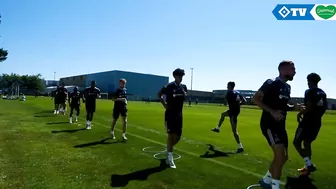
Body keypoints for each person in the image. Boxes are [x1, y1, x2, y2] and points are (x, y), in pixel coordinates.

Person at [253, 60, 296, 189]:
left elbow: (283, 106)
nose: (295, 71)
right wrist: (272, 111)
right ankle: (274, 186)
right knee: (279, 156)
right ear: (283, 70)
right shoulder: (271, 82)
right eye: (292, 69)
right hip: (269, 124)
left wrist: (294, 108)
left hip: (281, 126)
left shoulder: (287, 87)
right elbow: (255, 98)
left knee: (284, 158)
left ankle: (266, 180)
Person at [293, 73, 327, 175]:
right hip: (317, 122)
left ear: (310, 81)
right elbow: (323, 107)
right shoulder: (323, 93)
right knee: (307, 143)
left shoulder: (309, 91)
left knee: (296, 142)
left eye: (308, 80)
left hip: (307, 122)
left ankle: (309, 164)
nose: (307, 83)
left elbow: (309, 106)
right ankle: (307, 168)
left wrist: (300, 113)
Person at [158, 68, 187, 169]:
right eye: (179, 76)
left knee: (178, 137)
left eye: (182, 76)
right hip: (170, 114)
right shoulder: (169, 86)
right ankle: (170, 159)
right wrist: (164, 105)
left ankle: (168, 149)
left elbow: (184, 97)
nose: (181, 78)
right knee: (171, 135)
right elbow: (159, 95)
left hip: (179, 115)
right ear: (175, 76)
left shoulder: (184, 87)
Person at [211, 81, 246, 153]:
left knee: (234, 131)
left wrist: (226, 102)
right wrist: (238, 105)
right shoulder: (238, 92)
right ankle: (217, 128)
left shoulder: (229, 92)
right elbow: (244, 101)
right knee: (223, 114)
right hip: (236, 111)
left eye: (227, 86)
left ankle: (240, 146)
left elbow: (225, 102)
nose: (227, 87)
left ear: (230, 86)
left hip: (232, 112)